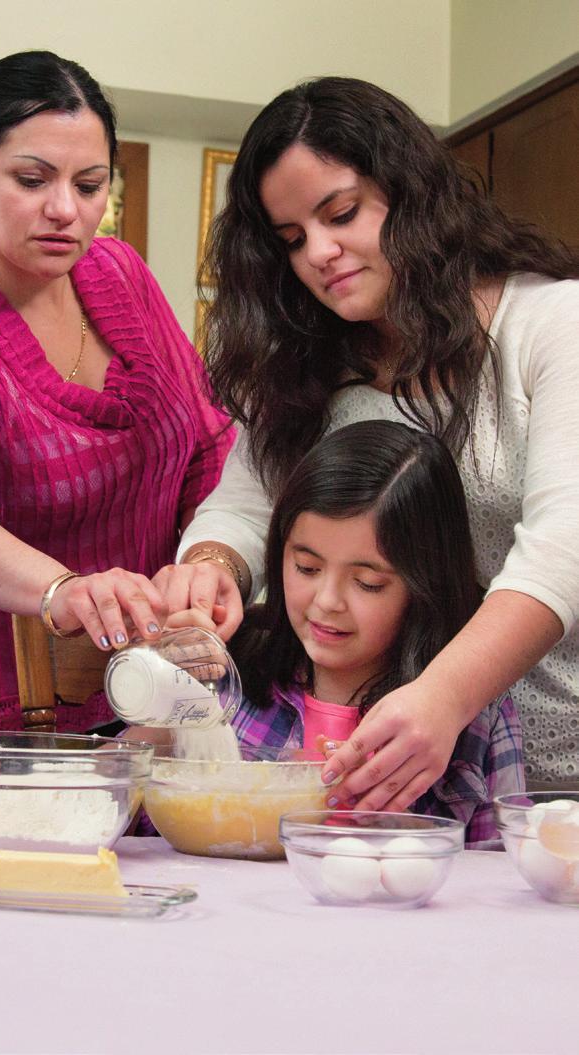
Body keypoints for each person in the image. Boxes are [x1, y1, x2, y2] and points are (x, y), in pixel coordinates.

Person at [153, 76, 579, 807]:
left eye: (341, 212)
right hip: (406, 779)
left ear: (411, 194)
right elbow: (242, 512)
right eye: (292, 239)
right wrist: (209, 567)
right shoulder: (301, 368)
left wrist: (443, 699)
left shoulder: (550, 323)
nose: (320, 251)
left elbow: (564, 546)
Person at [0, 51, 232, 732]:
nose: (64, 211)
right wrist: (62, 590)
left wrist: (205, 563)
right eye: (32, 179)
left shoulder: (120, 274)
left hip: (150, 686)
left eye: (89, 183)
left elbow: (207, 439)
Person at [227, 420, 523, 847]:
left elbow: (499, 876)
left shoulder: (475, 716)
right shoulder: (235, 679)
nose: (327, 601)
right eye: (307, 568)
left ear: (425, 586)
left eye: (367, 583)